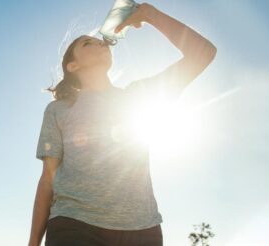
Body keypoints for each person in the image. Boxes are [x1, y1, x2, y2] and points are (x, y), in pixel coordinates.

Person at [28, 3, 216, 246]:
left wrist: (151, 15)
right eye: (88, 43)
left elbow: (204, 53)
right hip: (74, 224)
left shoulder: (139, 96)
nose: (99, 42)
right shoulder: (59, 110)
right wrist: (33, 242)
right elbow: (48, 179)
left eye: (98, 40)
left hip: (142, 229)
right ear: (73, 66)